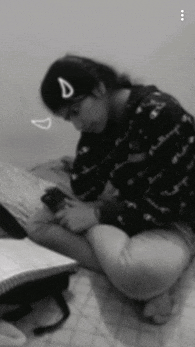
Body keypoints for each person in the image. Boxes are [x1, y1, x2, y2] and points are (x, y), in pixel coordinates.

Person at [28, 54, 195, 324]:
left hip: (173, 220)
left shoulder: (161, 114)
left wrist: (96, 216)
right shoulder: (99, 124)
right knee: (37, 224)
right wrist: (94, 202)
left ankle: (144, 286)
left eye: (75, 111)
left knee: (139, 272)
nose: (77, 125)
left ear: (98, 88)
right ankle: (141, 285)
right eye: (67, 119)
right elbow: (83, 185)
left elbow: (169, 205)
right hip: (124, 212)